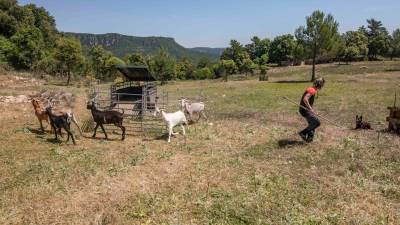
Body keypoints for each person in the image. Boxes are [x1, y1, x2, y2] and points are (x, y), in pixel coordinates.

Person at [298, 78, 325, 142]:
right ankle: (303, 133)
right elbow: (305, 99)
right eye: (322, 84)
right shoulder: (312, 90)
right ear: (320, 84)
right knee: (317, 122)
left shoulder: (313, 89)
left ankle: (309, 139)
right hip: (304, 110)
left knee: (312, 123)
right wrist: (310, 109)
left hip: (305, 110)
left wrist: (312, 109)